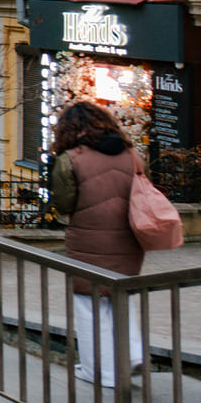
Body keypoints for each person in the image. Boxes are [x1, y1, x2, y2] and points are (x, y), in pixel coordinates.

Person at [49, 101, 148, 386]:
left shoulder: (71, 158)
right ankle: (131, 356)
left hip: (87, 241)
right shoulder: (132, 154)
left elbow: (64, 204)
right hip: (129, 239)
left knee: (89, 306)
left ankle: (99, 372)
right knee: (120, 297)